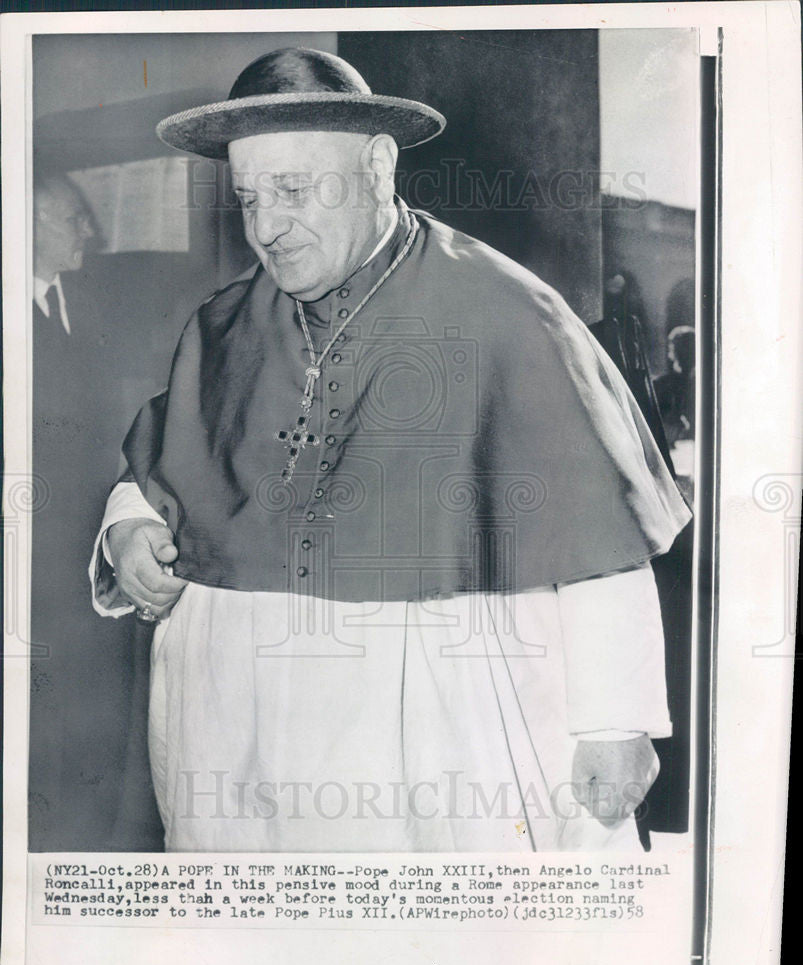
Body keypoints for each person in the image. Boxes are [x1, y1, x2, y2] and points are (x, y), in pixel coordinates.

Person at [89, 48, 691, 852]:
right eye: (248, 198)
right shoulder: (223, 322)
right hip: (235, 737)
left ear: (375, 168)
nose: (266, 227)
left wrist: (616, 721)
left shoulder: (508, 313)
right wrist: (128, 526)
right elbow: (159, 458)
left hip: (433, 735)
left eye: (293, 191)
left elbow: (596, 537)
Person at [30, 170, 137, 850]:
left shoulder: (88, 300)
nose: (87, 232)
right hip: (34, 564)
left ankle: (89, 843)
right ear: (30, 218)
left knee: (100, 708)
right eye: (73, 217)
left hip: (90, 550)